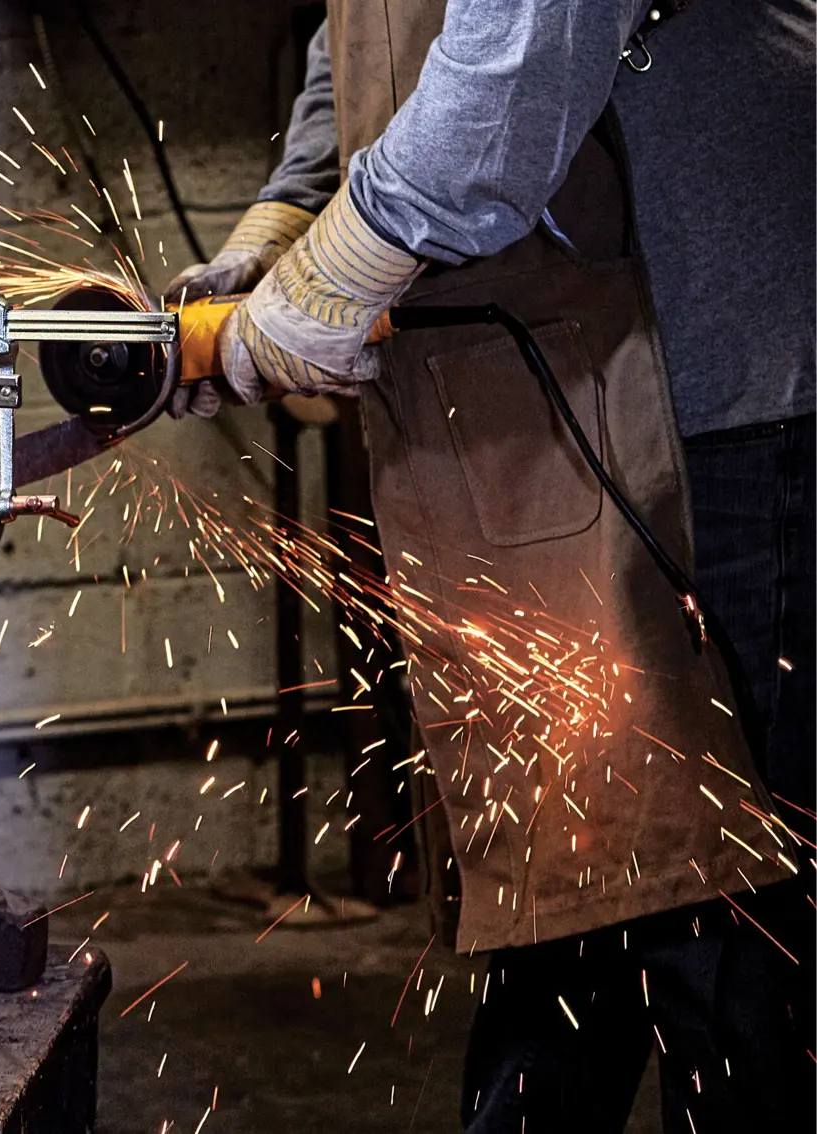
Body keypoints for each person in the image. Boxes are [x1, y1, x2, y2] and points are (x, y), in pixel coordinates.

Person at [165, 2, 817, 1130]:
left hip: (721, 391)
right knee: (571, 876)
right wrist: (288, 212)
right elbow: (367, 29)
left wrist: (338, 270)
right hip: (557, 394)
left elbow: (517, 57)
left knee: (733, 931)